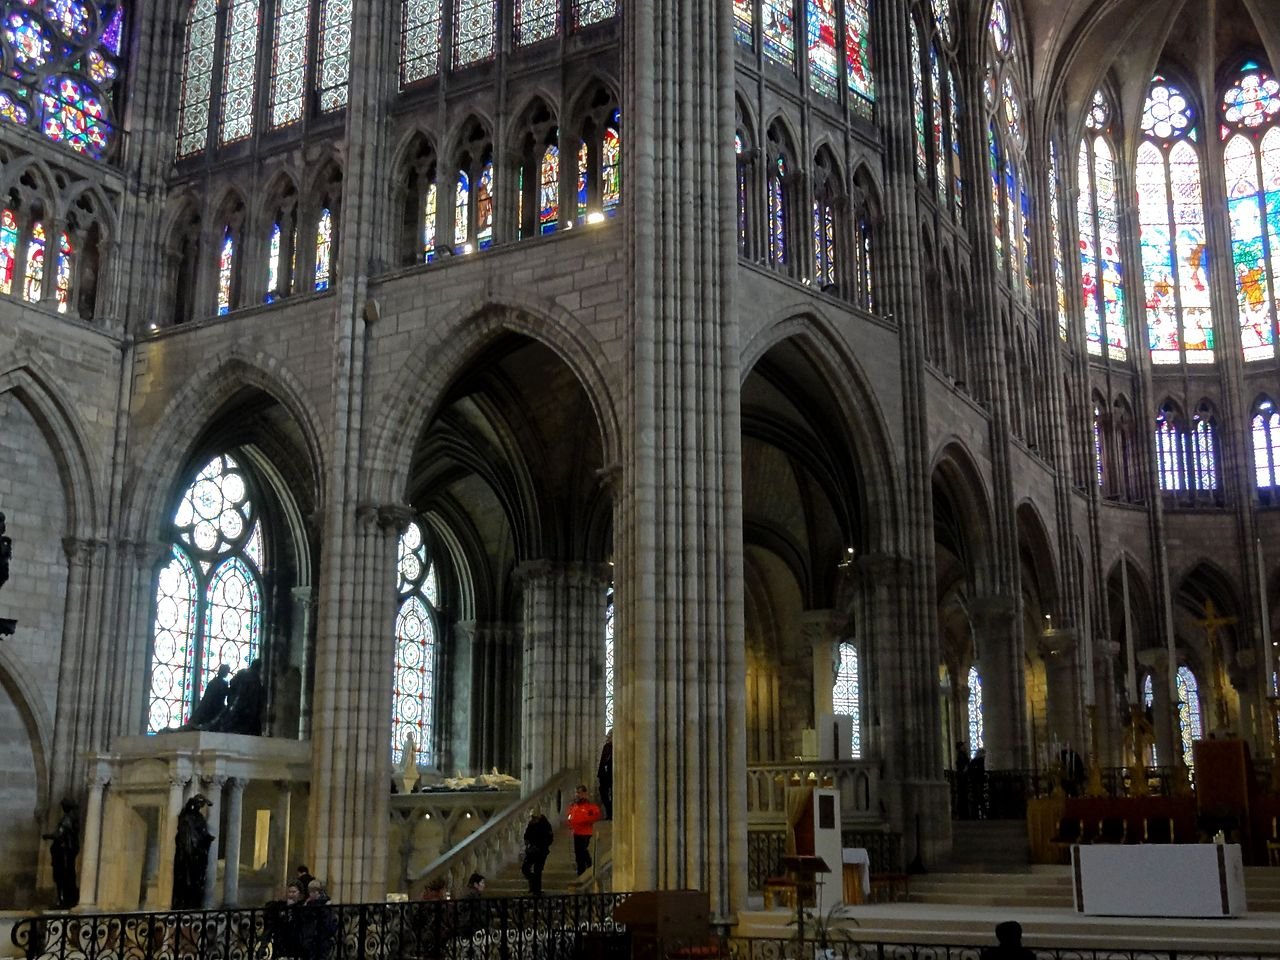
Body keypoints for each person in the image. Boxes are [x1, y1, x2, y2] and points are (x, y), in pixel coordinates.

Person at [173, 794, 214, 909]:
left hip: (198, 855)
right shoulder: (187, 817)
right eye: (200, 804)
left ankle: (194, 903)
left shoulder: (199, 818)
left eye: (202, 805)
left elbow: (202, 834)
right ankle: (184, 903)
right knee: (187, 880)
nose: (201, 807)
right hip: (187, 856)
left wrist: (207, 838)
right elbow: (185, 838)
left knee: (197, 880)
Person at [42, 797, 79, 909]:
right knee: (65, 876)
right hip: (65, 852)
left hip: (63, 853)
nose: (62, 807)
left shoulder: (67, 819)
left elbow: (59, 835)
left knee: (62, 877)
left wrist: (47, 836)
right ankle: (63, 899)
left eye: (63, 805)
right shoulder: (72, 818)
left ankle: (63, 900)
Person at [566, 784, 602, 876]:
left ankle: (588, 866)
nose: (577, 795)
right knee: (578, 853)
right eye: (576, 793)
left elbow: (595, 816)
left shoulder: (590, 806)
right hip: (576, 832)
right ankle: (581, 871)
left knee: (582, 851)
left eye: (579, 793)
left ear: (584, 793)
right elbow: (570, 816)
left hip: (586, 832)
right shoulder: (574, 806)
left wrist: (584, 820)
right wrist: (571, 822)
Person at [298, 879, 337, 960]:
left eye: (312, 892)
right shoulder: (309, 904)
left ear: (317, 892)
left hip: (320, 939)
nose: (310, 894)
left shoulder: (324, 905)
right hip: (311, 939)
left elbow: (328, 923)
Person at [186, 664, 231, 729]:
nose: (227, 674)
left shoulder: (214, 682)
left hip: (213, 706)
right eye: (226, 672)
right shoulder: (220, 683)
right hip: (214, 707)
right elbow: (210, 697)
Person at [521, 812, 554, 896]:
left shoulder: (545, 825)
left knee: (537, 870)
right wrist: (528, 844)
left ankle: (537, 890)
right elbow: (526, 836)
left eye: (534, 818)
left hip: (541, 851)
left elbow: (549, 839)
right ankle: (533, 884)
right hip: (532, 850)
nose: (533, 819)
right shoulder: (531, 824)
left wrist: (540, 846)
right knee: (525, 868)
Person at [597, 731, 614, 820]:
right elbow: (603, 761)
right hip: (604, 775)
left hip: (613, 774)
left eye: (609, 736)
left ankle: (612, 813)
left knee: (614, 794)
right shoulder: (606, 747)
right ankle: (609, 812)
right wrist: (600, 774)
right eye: (608, 735)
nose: (608, 737)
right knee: (603, 793)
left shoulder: (618, 747)